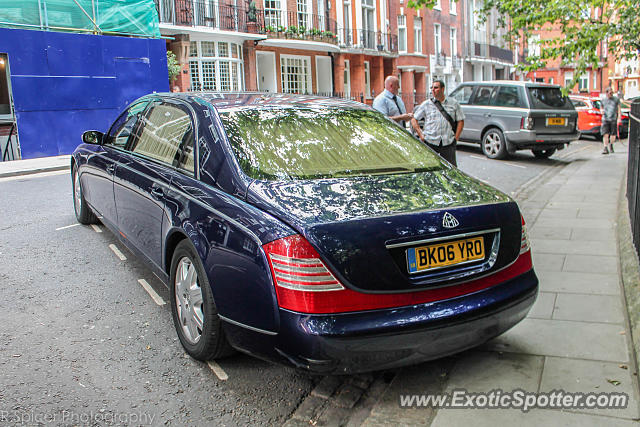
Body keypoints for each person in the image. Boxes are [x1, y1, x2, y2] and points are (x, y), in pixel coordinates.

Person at [411, 80, 465, 166]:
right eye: (432, 88)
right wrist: (421, 134)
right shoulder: (426, 104)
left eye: (436, 88)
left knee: (450, 169)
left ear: (442, 89)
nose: (433, 90)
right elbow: (414, 119)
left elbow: (461, 121)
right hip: (430, 142)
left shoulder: (454, 103)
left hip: (448, 142)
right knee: (429, 168)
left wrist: (456, 138)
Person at [601, 87, 621, 155]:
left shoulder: (616, 99)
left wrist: (619, 118)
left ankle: (611, 145)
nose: (611, 94)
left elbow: (619, 109)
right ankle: (605, 148)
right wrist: (601, 111)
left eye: (612, 93)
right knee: (605, 134)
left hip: (613, 119)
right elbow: (601, 107)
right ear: (606, 93)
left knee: (613, 134)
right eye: (609, 93)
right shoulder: (603, 100)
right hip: (605, 119)